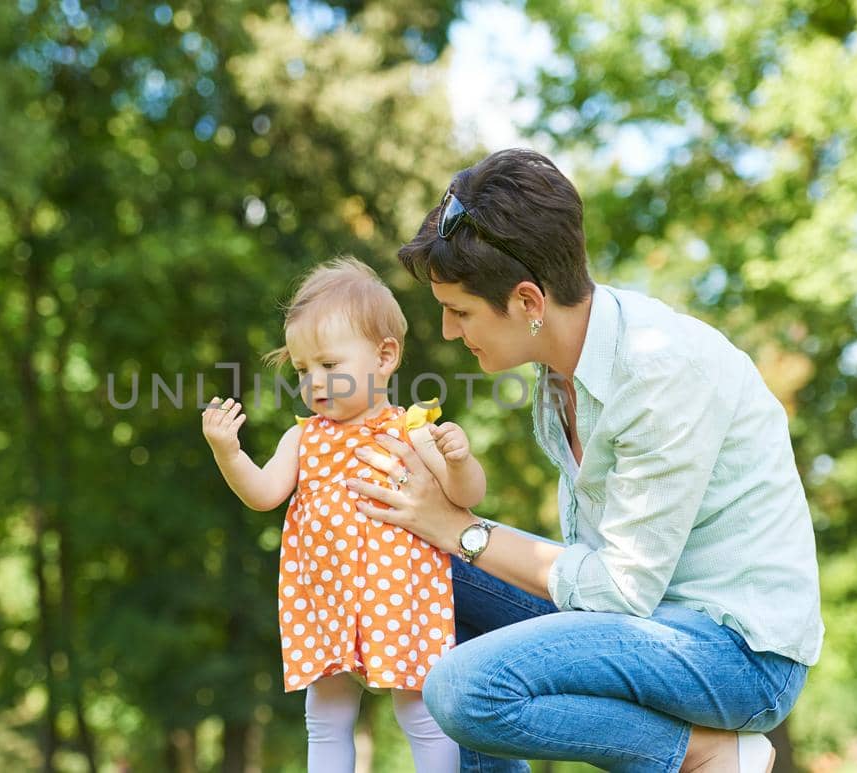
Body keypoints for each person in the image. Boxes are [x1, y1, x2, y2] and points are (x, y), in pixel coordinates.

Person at [340, 149, 825, 773]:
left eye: (460, 310)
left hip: (737, 654)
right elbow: (601, 589)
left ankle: (705, 756)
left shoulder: (660, 372)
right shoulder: (557, 377)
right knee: (427, 567)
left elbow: (622, 588)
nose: (451, 331)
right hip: (637, 620)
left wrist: (461, 528)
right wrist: (435, 523)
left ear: (527, 302)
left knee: (463, 688)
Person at [200, 257, 485, 772]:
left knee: (422, 710)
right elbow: (263, 493)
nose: (316, 382)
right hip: (326, 596)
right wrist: (229, 454)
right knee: (325, 717)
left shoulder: (412, 431)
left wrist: (460, 460)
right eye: (305, 370)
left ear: (385, 356)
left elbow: (467, 498)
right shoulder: (302, 438)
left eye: (330, 366)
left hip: (402, 594)